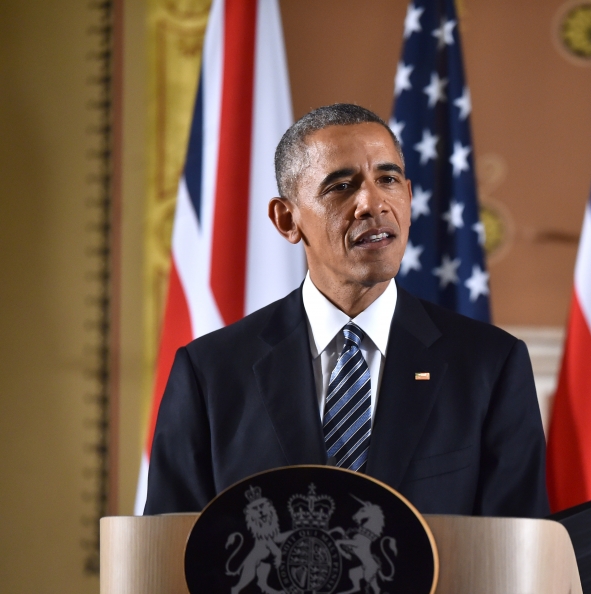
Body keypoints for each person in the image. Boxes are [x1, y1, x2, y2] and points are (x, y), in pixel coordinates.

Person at [144, 103, 549, 518]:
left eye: (388, 180)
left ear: (409, 198)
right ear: (287, 220)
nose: (372, 204)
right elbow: (168, 553)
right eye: (341, 187)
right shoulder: (210, 372)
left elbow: (516, 554)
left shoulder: (489, 364)